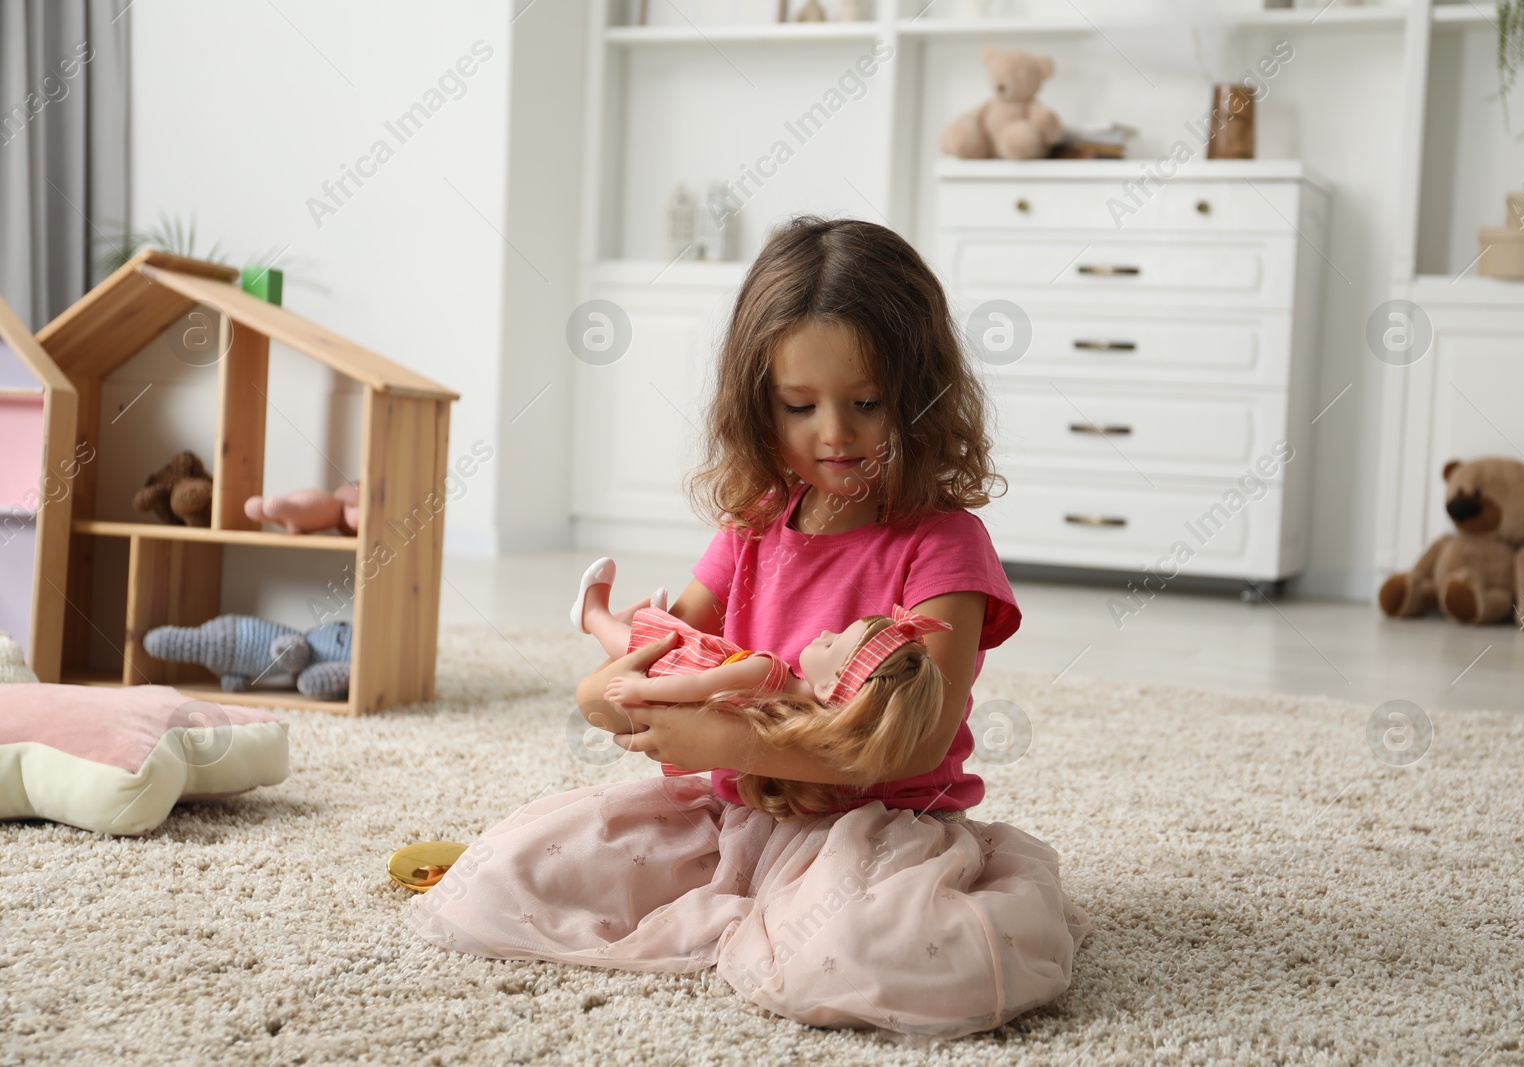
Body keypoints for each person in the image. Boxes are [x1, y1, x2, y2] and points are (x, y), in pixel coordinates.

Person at [410, 215, 1091, 1039]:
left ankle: (780, 919)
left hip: (870, 828)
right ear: (756, 405)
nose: (834, 433)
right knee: (505, 878)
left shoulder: (942, 545)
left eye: (867, 403)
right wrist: (604, 694)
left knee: (899, 955)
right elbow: (660, 662)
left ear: (921, 397)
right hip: (728, 816)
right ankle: (747, 909)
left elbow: (909, 744)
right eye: (800, 405)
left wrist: (727, 743)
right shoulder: (758, 523)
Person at [574, 554, 951, 811]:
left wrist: (642, 689)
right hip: (693, 687)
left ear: (828, 687)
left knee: (640, 646)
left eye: (832, 642)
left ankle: (592, 615)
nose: (823, 630)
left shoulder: (766, 671)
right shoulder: (798, 719)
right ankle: (627, 620)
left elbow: (699, 685)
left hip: (680, 672)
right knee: (645, 640)